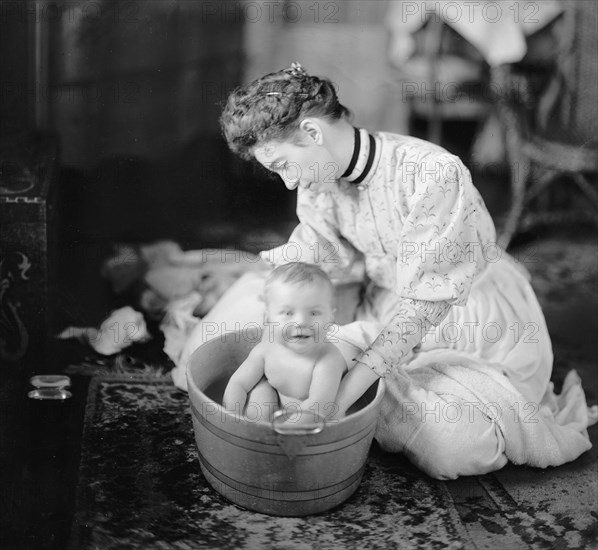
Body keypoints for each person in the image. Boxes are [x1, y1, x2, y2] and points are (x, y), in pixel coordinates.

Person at [173, 62, 596, 479]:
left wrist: (335, 404)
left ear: (313, 132)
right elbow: (318, 258)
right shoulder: (317, 182)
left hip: (463, 313)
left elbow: (422, 308)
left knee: (459, 450)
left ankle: (380, 396)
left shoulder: (432, 173)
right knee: (219, 339)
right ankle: (360, 390)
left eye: (283, 165)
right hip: (380, 296)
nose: (287, 183)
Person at [222, 262, 347, 423]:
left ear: (330, 319)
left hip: (314, 419)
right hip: (279, 407)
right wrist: (231, 418)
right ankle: (253, 430)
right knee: (259, 396)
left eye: (314, 312)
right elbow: (238, 383)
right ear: (267, 319)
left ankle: (270, 439)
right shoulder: (266, 350)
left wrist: (282, 434)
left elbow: (318, 406)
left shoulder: (328, 358)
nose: (301, 322)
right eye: (288, 312)